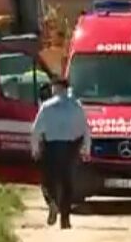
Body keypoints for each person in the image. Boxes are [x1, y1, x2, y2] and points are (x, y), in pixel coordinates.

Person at [30, 76, 91, 230]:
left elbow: (36, 130)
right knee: (67, 184)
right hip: (70, 148)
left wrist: (35, 148)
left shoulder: (46, 106)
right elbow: (85, 129)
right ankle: (65, 219)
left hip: (51, 147)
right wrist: (86, 148)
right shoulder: (76, 106)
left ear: (56, 88)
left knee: (47, 181)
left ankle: (52, 203)